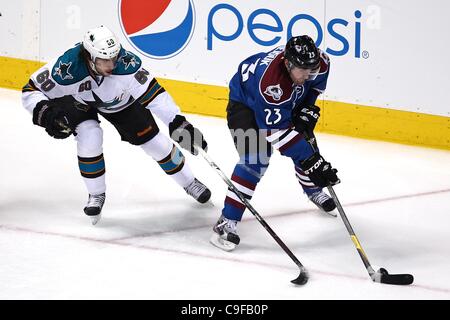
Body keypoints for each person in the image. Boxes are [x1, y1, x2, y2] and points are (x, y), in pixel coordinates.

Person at [22, 25, 211, 225]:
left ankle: (190, 182)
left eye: (114, 57)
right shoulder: (66, 68)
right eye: (105, 60)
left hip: (120, 103)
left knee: (154, 143)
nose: (112, 64)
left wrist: (177, 122)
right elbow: (30, 90)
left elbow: (156, 96)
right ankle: (96, 194)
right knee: (90, 135)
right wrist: (46, 114)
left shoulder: (127, 64)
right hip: (77, 100)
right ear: (89, 57)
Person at [210, 35, 340, 251]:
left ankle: (312, 190)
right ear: (288, 63)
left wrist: (304, 112)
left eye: (312, 69)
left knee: (305, 143)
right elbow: (276, 133)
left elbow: (313, 88)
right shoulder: (271, 84)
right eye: (303, 70)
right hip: (245, 105)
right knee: (256, 160)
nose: (309, 75)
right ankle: (226, 222)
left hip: (283, 103)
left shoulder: (320, 63)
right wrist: (312, 161)